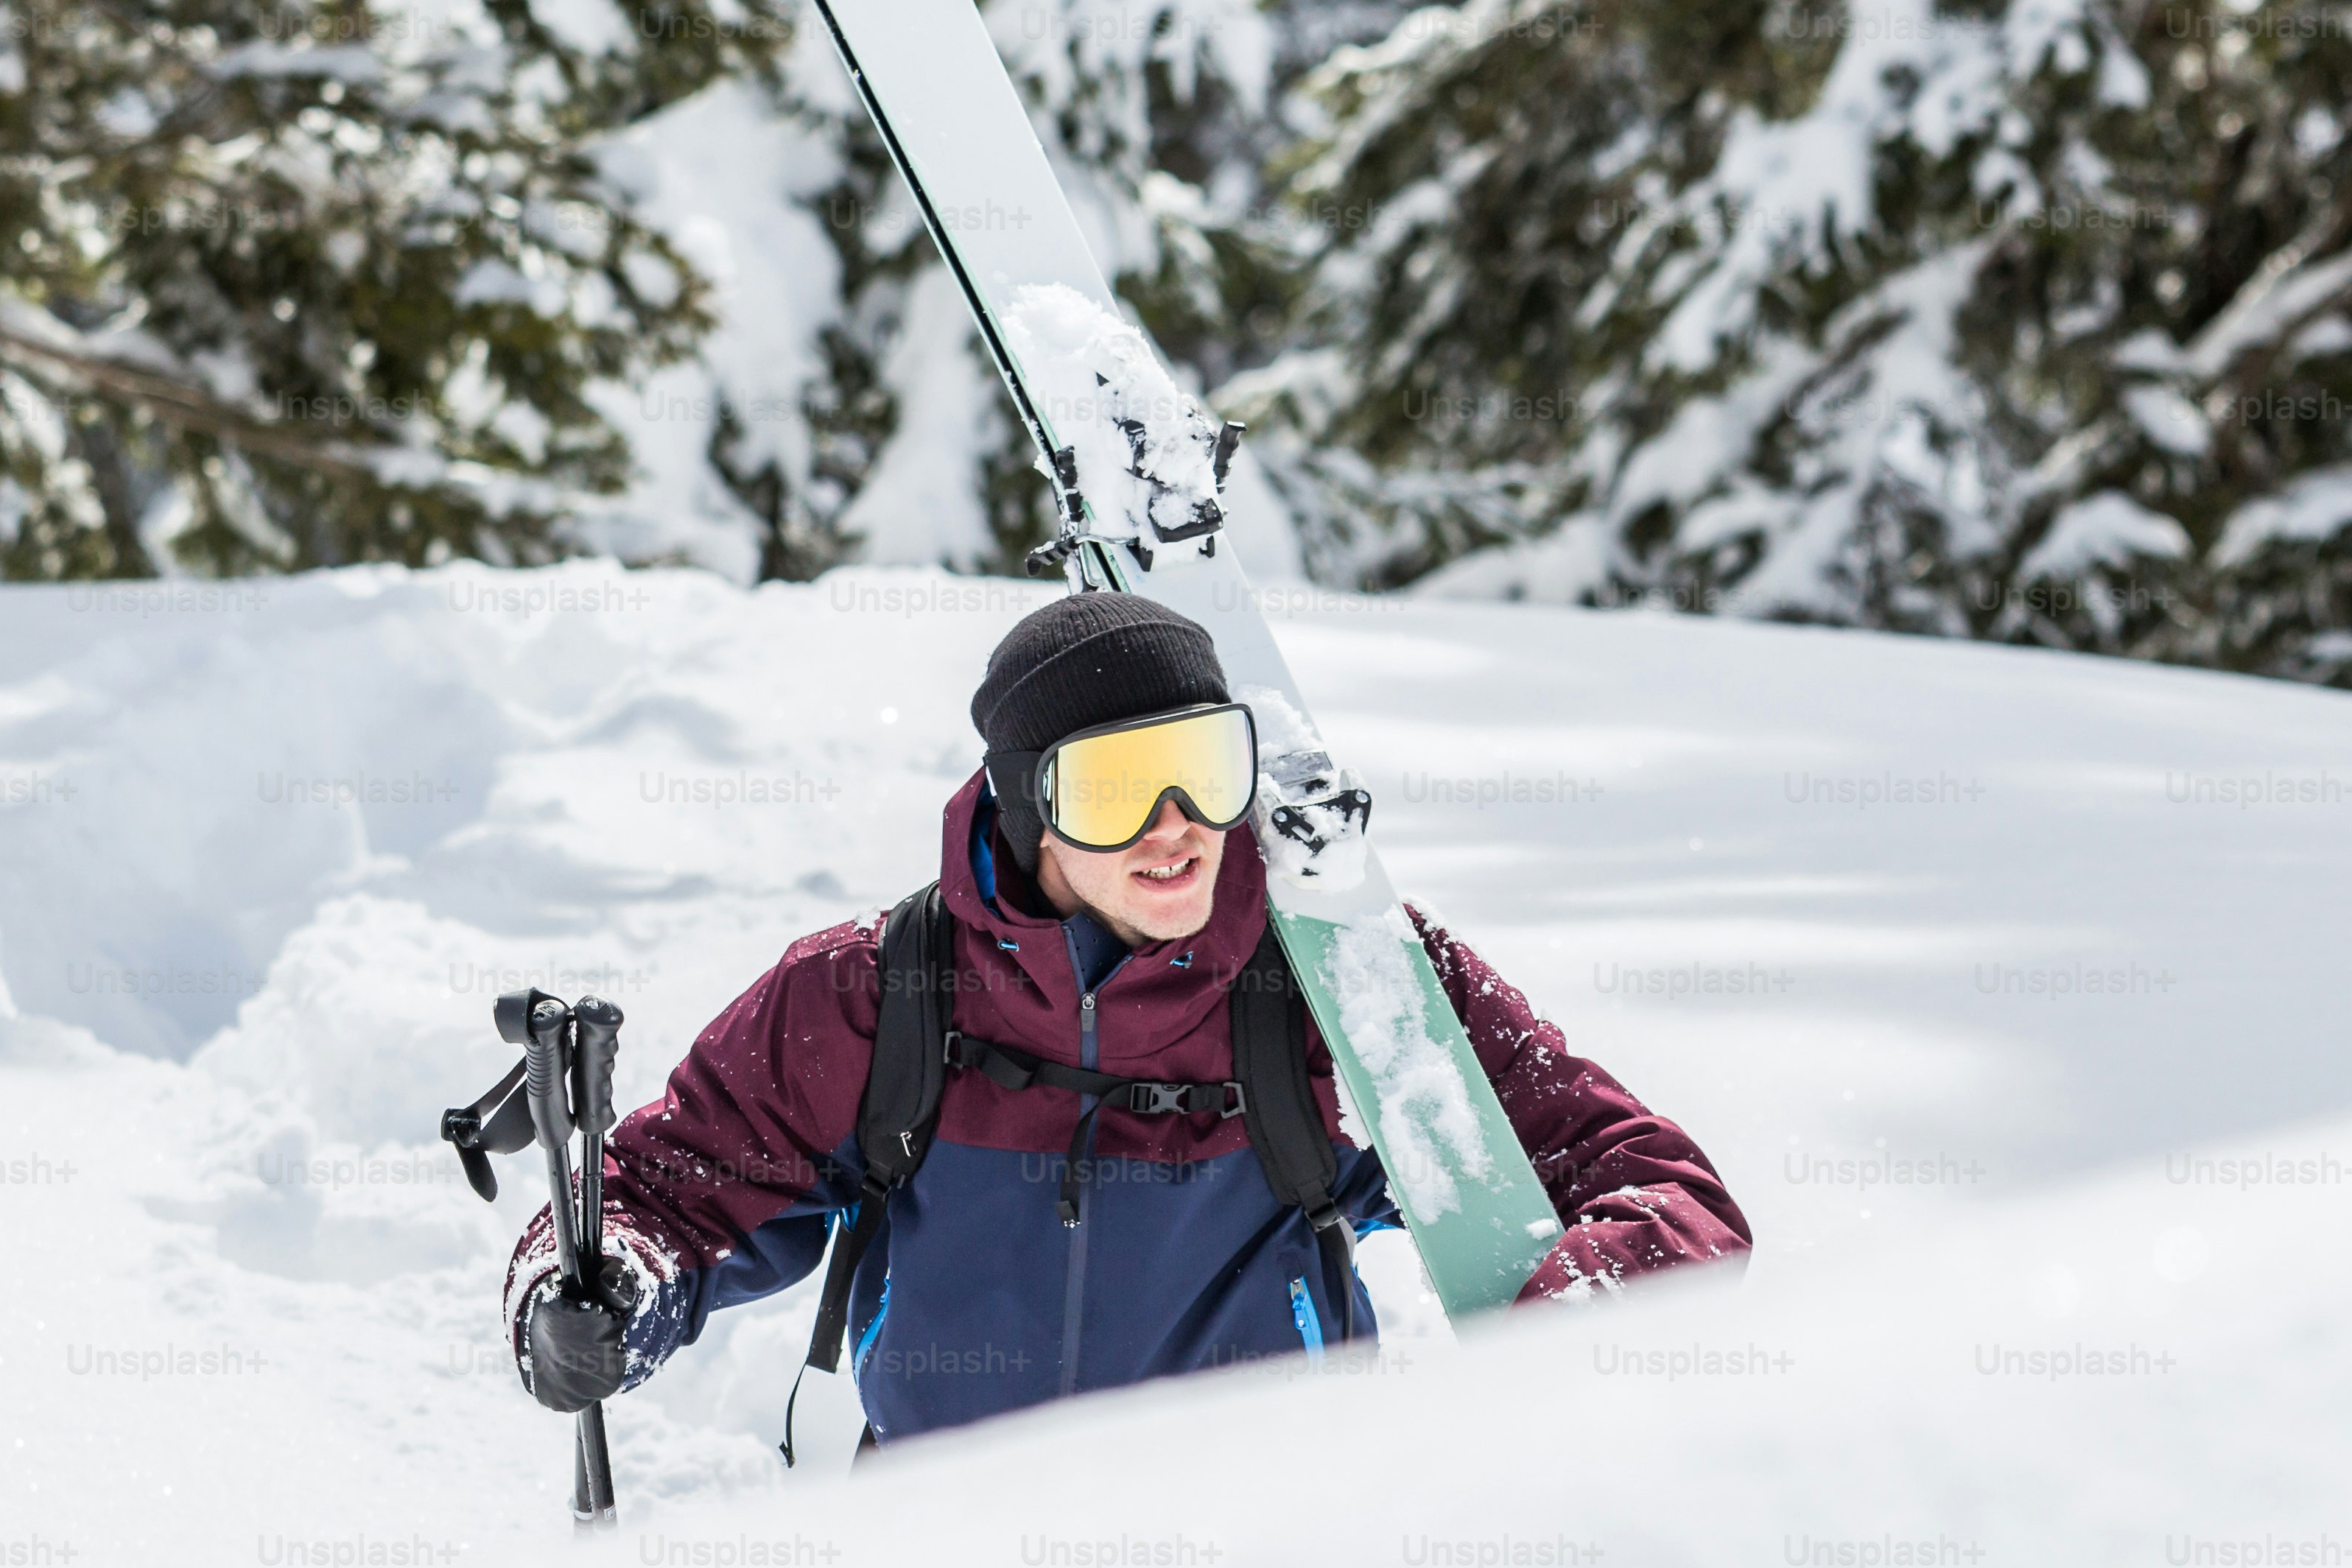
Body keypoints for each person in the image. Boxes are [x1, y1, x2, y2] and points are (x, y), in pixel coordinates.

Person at [500, 590, 1748, 1446]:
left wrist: (1581, 1312)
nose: (1175, 825)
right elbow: (662, 1191)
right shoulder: (875, 994)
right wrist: (592, 1294)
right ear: (1025, 811)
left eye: (1206, 768)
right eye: (1111, 785)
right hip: (936, 1562)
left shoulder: (1342, 982)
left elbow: (1653, 1183)